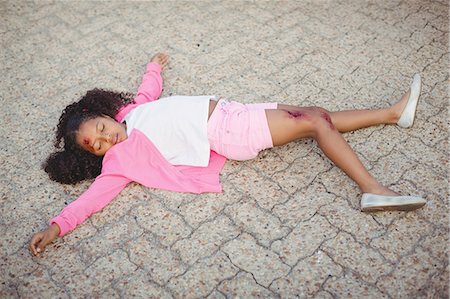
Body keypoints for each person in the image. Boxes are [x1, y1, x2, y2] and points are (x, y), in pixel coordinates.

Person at [29, 53, 426, 256]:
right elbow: (92, 199)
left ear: (103, 114)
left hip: (236, 111)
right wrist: (57, 226)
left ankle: (393, 114)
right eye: (94, 147)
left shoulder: (130, 113)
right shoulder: (120, 162)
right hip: (229, 131)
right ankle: (373, 189)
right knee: (316, 122)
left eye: (100, 129)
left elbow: (147, 92)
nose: (104, 141)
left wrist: (153, 67)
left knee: (316, 116)